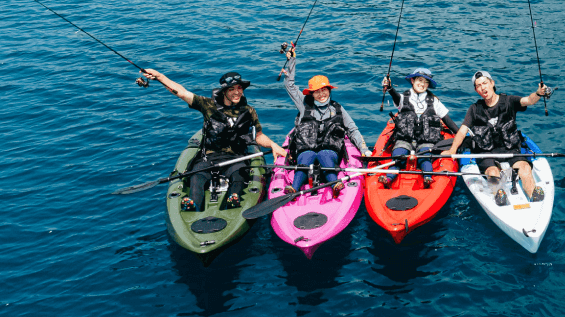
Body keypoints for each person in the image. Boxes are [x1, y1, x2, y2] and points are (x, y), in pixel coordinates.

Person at [139, 68, 286, 211]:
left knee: (239, 173)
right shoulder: (208, 105)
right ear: (224, 91)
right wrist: (159, 76)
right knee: (197, 174)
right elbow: (181, 92)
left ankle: (233, 198)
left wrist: (273, 145)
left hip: (235, 157)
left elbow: (258, 136)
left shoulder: (248, 111)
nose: (237, 92)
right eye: (231, 89)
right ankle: (193, 203)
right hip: (209, 156)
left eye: (239, 88)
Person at [443, 70, 552, 205]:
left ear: (492, 83)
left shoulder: (508, 101)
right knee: (493, 172)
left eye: (485, 83)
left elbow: (529, 100)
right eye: (478, 85)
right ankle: (499, 194)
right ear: (476, 90)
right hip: (487, 153)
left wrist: (538, 93)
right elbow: (462, 131)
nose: (483, 87)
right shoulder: (474, 109)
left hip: (510, 149)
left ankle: (534, 194)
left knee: (524, 168)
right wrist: (452, 150)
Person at [280, 45, 371, 197]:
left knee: (324, 155)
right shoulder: (303, 104)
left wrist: (364, 149)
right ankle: (294, 188)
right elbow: (289, 85)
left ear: (329, 90)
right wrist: (292, 61)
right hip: (306, 148)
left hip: (330, 151)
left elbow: (352, 129)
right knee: (307, 156)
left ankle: (334, 183)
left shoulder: (338, 108)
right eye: (317, 91)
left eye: (324, 90)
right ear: (312, 94)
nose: (321, 94)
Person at [378, 67, 460, 189]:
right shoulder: (403, 97)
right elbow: (395, 96)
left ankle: (427, 177)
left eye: (425, 82)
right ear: (413, 80)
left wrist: (460, 134)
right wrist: (389, 88)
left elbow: (447, 120)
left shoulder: (434, 101)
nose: (422, 84)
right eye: (419, 80)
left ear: (428, 84)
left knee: (425, 157)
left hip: (426, 141)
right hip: (405, 139)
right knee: (398, 155)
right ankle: (388, 178)